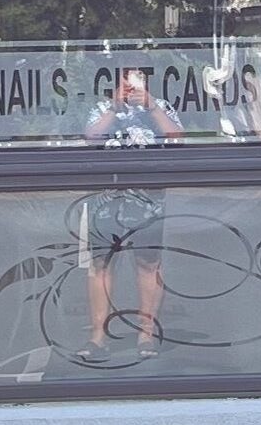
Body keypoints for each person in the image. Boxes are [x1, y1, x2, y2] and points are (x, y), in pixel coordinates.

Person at [73, 66, 182, 365]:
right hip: (106, 200)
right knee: (101, 266)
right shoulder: (102, 107)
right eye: (126, 79)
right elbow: (92, 137)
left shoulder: (161, 107)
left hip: (148, 201)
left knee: (148, 265)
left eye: (137, 79)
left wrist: (150, 104)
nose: (131, 85)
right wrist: (115, 108)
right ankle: (99, 336)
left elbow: (176, 138)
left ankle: (146, 333)